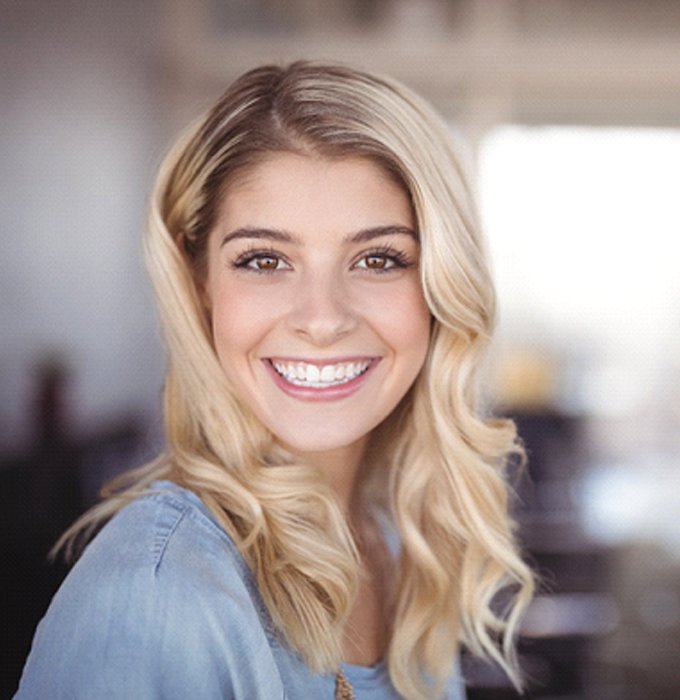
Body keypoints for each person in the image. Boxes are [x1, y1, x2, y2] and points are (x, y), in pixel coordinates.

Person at [14, 61, 534, 700]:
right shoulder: (154, 596)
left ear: (439, 285)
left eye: (379, 259)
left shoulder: (398, 543)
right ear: (200, 281)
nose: (321, 319)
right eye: (264, 260)